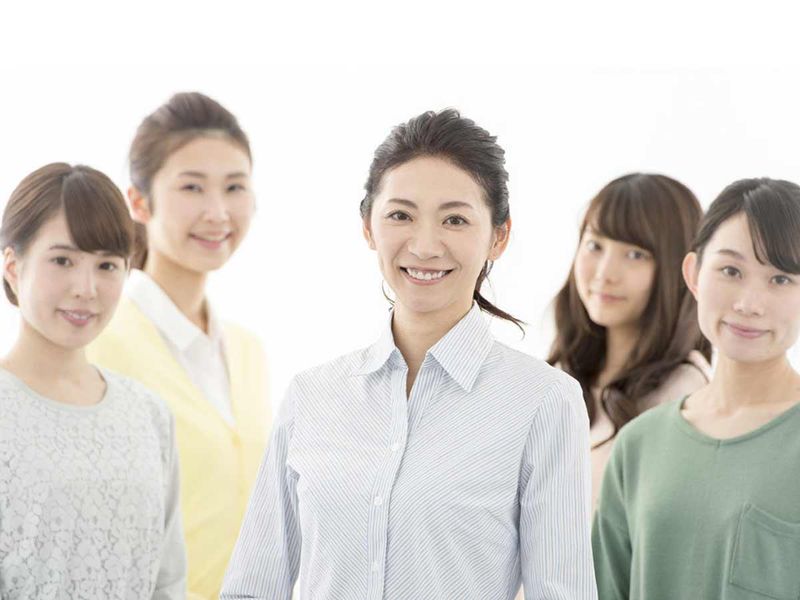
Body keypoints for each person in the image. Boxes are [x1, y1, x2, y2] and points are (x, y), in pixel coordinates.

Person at [221, 109, 596, 600]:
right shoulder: (311, 396)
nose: (424, 245)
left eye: (455, 219)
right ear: (368, 226)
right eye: (401, 215)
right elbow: (252, 588)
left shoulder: (543, 402)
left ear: (498, 236)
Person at [86, 92, 269, 600]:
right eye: (192, 187)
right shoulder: (100, 346)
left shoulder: (248, 352)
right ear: (139, 202)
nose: (218, 212)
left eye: (234, 187)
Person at [592, 178, 800, 599]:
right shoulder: (639, 444)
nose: (748, 303)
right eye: (731, 271)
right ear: (693, 274)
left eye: (780, 279)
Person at [0, 163, 185, 599]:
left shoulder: (148, 414)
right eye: (62, 260)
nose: (86, 288)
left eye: (106, 265)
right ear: (13, 267)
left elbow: (169, 580)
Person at [548, 174, 711, 509]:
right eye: (595, 246)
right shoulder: (566, 372)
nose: (604, 273)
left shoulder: (683, 392)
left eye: (635, 254)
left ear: (679, 269)